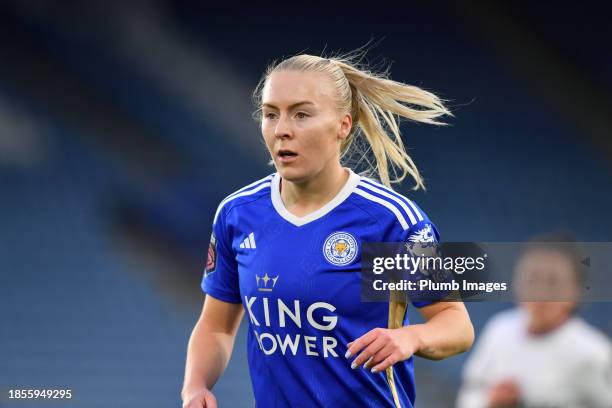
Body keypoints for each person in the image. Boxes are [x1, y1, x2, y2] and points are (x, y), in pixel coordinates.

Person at [181, 48, 474, 408]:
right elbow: (216, 327)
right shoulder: (238, 215)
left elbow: (456, 325)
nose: (282, 130)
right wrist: (195, 386)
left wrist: (410, 337)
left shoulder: (389, 222)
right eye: (271, 114)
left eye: (301, 114)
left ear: (343, 125)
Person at [456, 235, 612, 408]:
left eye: (553, 282)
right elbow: (467, 395)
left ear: (575, 291)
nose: (540, 292)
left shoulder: (592, 353)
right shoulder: (499, 330)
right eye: (532, 278)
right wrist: (491, 401)